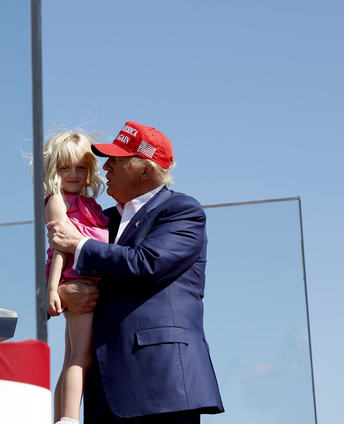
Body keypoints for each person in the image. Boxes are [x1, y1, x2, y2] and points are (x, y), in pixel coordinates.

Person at [47, 121, 225, 423]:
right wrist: (62, 292)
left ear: (146, 170)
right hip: (104, 392)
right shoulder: (101, 220)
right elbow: (59, 264)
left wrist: (80, 245)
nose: (106, 168)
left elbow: (146, 263)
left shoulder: (182, 211)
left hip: (160, 388)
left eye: (117, 160)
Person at [43, 130, 110, 424]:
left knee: (72, 356)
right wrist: (53, 288)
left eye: (80, 167)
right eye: (65, 167)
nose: (73, 174)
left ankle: (61, 418)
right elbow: (59, 247)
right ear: (54, 168)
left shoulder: (88, 205)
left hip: (86, 280)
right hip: (78, 281)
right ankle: (69, 419)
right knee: (81, 357)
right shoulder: (58, 201)